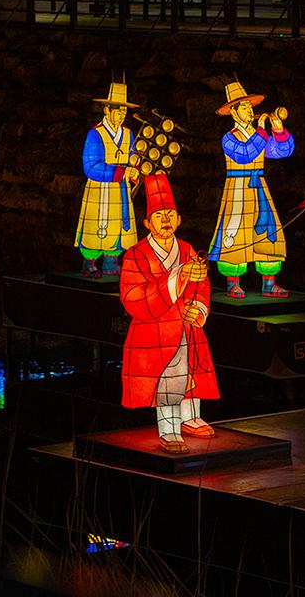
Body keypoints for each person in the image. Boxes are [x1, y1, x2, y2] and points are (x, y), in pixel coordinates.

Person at [120, 174, 219, 453]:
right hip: (155, 329)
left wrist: (197, 308)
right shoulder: (135, 255)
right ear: (147, 223)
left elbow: (201, 286)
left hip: (187, 327)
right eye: (159, 216)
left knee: (192, 371)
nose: (165, 221)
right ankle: (169, 429)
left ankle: (190, 418)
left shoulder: (186, 249)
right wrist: (178, 277)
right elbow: (133, 297)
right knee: (168, 377)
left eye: (170, 215)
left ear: (179, 220)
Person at [207, 81, 294, 298]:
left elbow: (282, 151)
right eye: (244, 107)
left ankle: (269, 283)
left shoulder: (259, 134)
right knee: (234, 233)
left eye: (249, 106)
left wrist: (278, 128)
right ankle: (233, 283)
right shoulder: (229, 138)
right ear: (234, 112)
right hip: (237, 187)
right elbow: (245, 153)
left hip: (259, 189)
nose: (250, 111)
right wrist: (263, 131)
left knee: (269, 232)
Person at [74, 81, 140, 277]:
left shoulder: (128, 134)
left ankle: (112, 262)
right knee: (97, 226)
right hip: (100, 189)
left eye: (124, 112)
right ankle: (90, 263)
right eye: (117, 110)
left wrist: (135, 169)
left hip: (120, 191)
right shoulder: (95, 134)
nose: (121, 115)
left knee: (118, 226)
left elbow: (133, 156)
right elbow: (91, 166)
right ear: (106, 109)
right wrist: (121, 172)